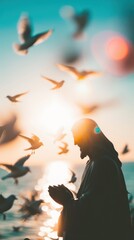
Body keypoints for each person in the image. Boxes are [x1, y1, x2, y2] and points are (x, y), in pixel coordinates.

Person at [48, 118, 132, 240]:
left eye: (78, 137)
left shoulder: (104, 164)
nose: (75, 142)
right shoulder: (92, 163)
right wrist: (69, 196)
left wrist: (66, 201)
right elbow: (88, 201)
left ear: (89, 137)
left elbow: (96, 212)